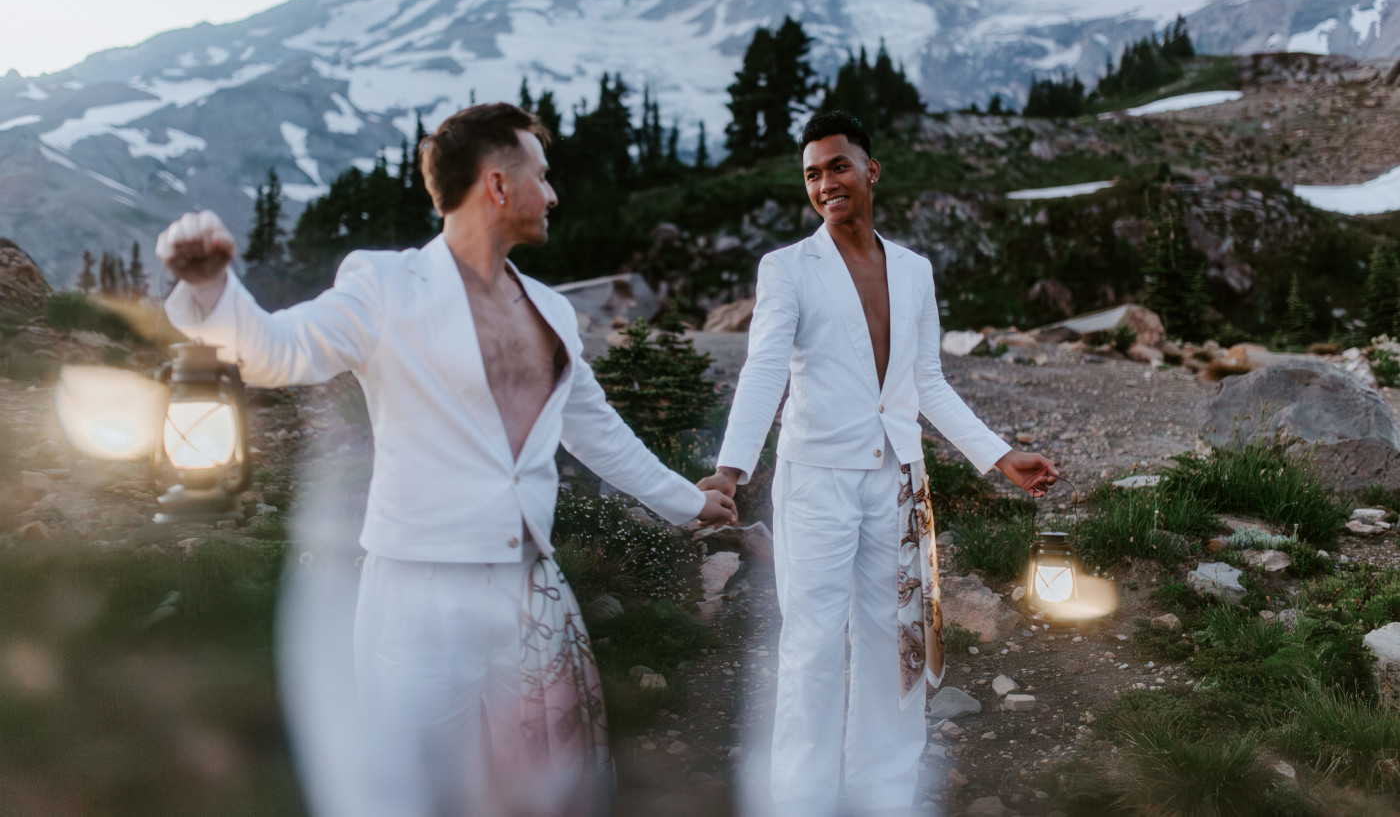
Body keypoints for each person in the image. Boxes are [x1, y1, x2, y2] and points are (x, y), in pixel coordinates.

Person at [156, 102, 737, 817]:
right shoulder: (385, 284)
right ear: (498, 185)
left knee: (549, 790)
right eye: (543, 176)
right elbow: (283, 351)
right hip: (417, 593)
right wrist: (211, 289)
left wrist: (689, 500)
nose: (554, 195)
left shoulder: (552, 312)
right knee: (416, 794)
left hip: (532, 590)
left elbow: (597, 431)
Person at [699, 111, 1057, 815]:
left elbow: (927, 380)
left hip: (898, 482)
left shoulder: (914, 271)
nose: (825, 182)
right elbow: (765, 369)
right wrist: (730, 469)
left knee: (899, 646)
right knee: (812, 648)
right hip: (817, 484)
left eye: (837, 166)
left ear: (870, 171)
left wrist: (998, 455)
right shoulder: (787, 269)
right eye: (812, 173)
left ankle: (884, 798)